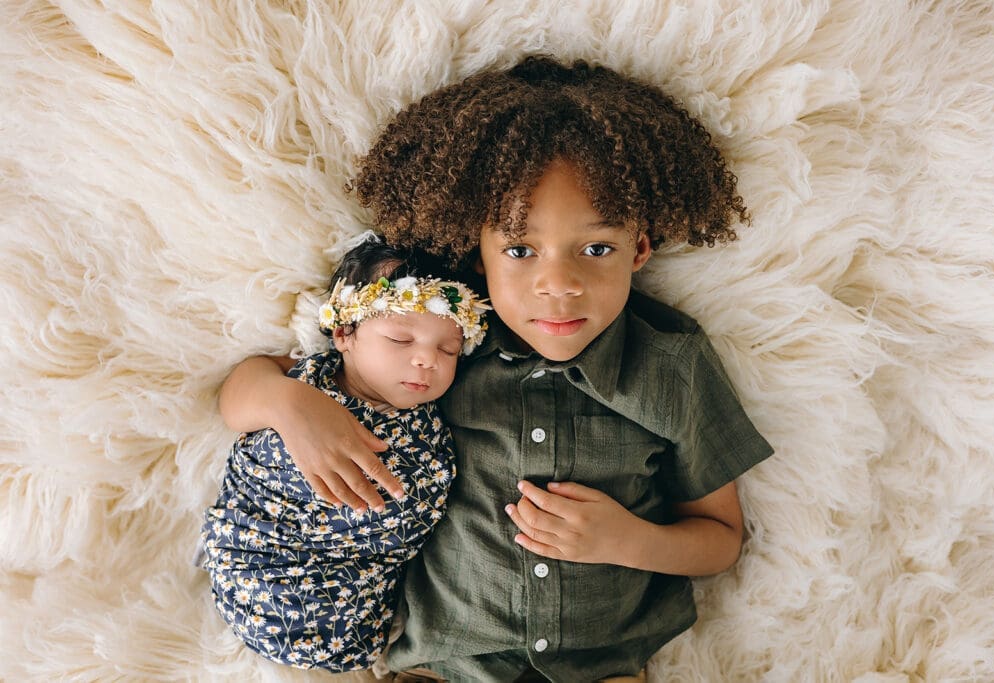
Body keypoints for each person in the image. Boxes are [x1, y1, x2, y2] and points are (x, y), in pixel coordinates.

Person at [218, 56, 775, 682]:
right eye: (519, 249)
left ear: (640, 248)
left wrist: (624, 540)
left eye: (597, 249)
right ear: (477, 254)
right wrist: (292, 406)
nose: (559, 285)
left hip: (602, 668)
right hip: (447, 667)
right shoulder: (440, 343)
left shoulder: (671, 364)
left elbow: (721, 540)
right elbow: (243, 389)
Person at [199, 236, 490, 672]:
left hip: (356, 604)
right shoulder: (309, 376)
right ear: (344, 332)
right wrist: (288, 401)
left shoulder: (432, 423)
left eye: (447, 349)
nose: (426, 359)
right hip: (259, 556)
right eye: (399, 338)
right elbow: (235, 400)